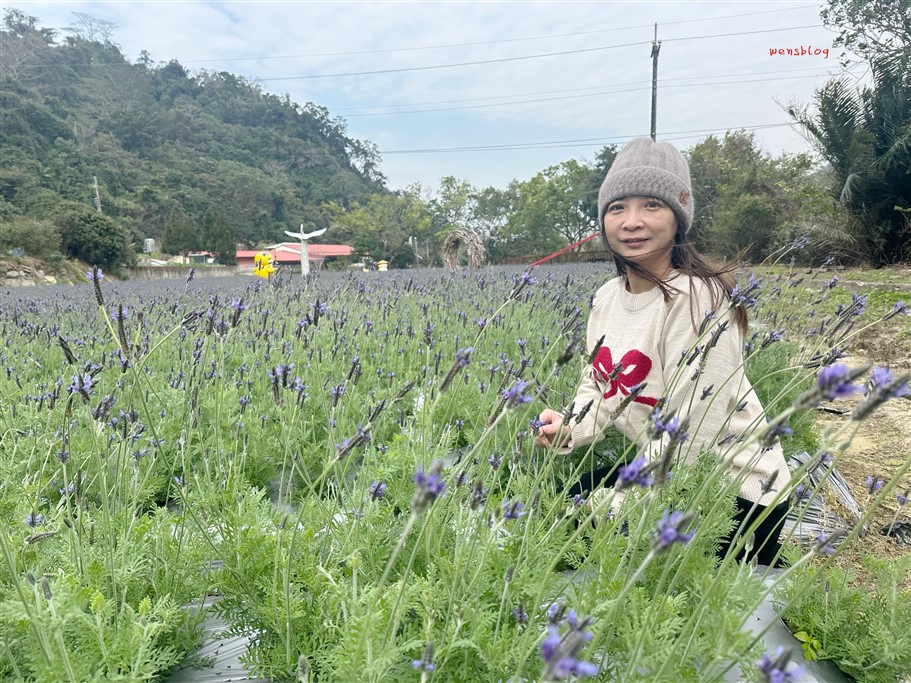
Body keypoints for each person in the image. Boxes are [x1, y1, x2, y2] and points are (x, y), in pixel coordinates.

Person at [534, 137, 790, 566]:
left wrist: (612, 509)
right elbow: (598, 384)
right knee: (563, 506)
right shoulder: (607, 297)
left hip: (730, 491)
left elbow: (690, 433)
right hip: (668, 471)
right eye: (618, 207)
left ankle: (762, 560)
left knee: (593, 547)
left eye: (652, 205)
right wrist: (569, 428)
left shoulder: (698, 302)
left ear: (679, 218)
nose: (632, 221)